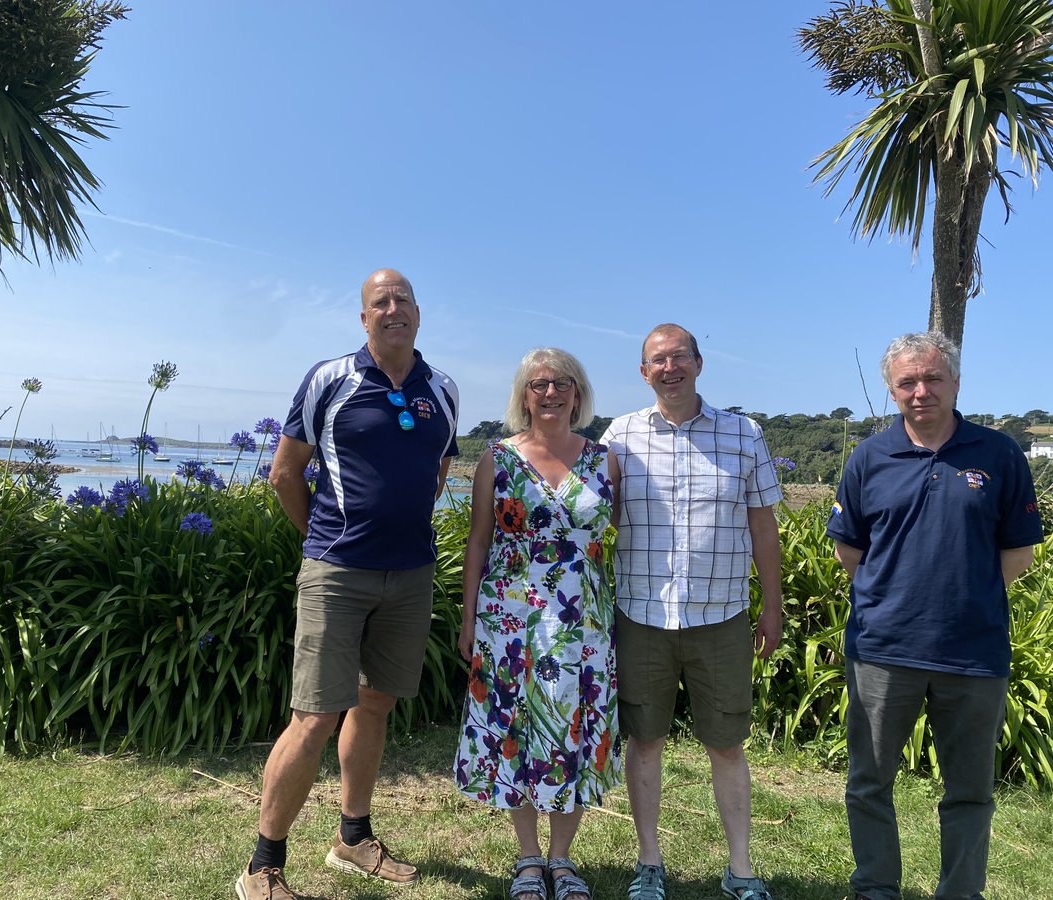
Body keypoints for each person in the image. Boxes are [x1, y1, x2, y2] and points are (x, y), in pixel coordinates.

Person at [235, 268, 459, 900]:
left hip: (410, 574)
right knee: (314, 717)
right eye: (379, 302)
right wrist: (327, 541)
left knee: (376, 702)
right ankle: (262, 864)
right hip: (337, 572)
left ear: (419, 312)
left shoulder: (440, 389)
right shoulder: (329, 379)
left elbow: (437, 470)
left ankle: (352, 838)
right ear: (364, 319)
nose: (393, 310)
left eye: (403, 300)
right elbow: (285, 473)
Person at [826, 332, 1042, 900]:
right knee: (870, 781)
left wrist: (958, 596)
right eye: (907, 382)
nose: (921, 391)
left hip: (974, 651)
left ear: (955, 382)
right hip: (881, 649)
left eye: (932, 379)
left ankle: (960, 892)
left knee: (969, 790)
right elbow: (849, 549)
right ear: (893, 390)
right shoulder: (870, 457)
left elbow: (1017, 554)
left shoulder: (999, 454)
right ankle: (876, 888)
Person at [602, 323, 783, 900]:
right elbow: (591, 516)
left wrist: (771, 606)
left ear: (700, 364)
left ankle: (741, 869)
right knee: (645, 740)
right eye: (658, 360)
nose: (669, 367)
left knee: (727, 744)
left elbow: (762, 524)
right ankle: (649, 863)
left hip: (721, 615)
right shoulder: (620, 436)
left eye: (680, 356)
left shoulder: (743, 433)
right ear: (643, 371)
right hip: (641, 615)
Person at [455, 347, 620, 900]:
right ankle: (528, 859)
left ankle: (562, 859)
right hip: (510, 619)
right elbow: (479, 541)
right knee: (518, 730)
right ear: (523, 395)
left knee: (572, 727)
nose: (550, 393)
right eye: (538, 384)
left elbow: (618, 536)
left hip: (582, 622)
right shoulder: (496, 460)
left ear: (579, 393)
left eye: (562, 384)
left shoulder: (604, 460)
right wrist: (468, 616)